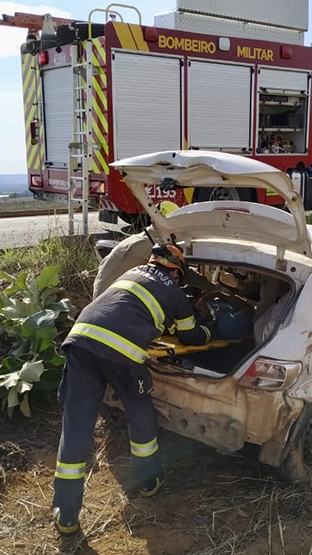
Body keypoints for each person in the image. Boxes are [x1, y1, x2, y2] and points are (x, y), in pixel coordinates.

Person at [52, 243, 213, 535]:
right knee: (139, 412)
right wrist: (209, 330)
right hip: (121, 354)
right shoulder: (175, 292)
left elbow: (125, 311)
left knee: (76, 426)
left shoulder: (130, 274)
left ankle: (65, 512)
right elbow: (190, 336)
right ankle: (148, 481)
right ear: (176, 272)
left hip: (81, 341)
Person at [93, 201, 179, 298]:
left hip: (102, 298)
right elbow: (173, 271)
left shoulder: (143, 237)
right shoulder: (152, 244)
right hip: (113, 301)